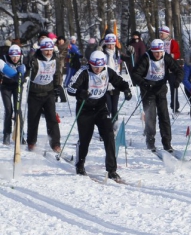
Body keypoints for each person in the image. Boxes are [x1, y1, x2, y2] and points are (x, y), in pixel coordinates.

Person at [66, 51, 132, 179]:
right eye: (95, 66)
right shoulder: (83, 72)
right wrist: (81, 92)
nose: (97, 69)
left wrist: (126, 89)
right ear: (90, 64)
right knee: (85, 139)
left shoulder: (107, 71)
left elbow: (120, 81)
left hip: (101, 108)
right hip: (84, 109)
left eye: (100, 66)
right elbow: (70, 88)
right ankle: (80, 165)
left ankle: (112, 170)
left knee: (109, 136)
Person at [131, 39, 184, 152]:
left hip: (161, 89)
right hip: (148, 90)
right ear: (152, 51)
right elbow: (135, 74)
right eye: (156, 52)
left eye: (160, 52)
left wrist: (177, 81)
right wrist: (144, 84)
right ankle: (150, 142)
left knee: (164, 116)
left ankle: (167, 143)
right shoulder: (146, 58)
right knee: (151, 117)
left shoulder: (166, 57)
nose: (158, 54)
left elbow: (178, 70)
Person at [26, 37, 62, 152]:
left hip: (49, 92)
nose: (48, 52)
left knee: (52, 119)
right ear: (41, 50)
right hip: (35, 93)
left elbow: (57, 74)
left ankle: (55, 144)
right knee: (33, 119)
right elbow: (28, 72)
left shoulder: (55, 59)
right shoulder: (35, 59)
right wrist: (29, 64)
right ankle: (31, 142)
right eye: (46, 50)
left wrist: (57, 87)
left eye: (50, 50)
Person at [1, 45, 27, 145]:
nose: (15, 58)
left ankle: (20, 134)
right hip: (6, 86)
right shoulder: (4, 60)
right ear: (9, 55)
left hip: (17, 86)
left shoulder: (23, 59)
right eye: (13, 56)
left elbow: (28, 70)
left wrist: (24, 76)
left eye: (17, 56)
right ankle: (7, 134)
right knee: (8, 110)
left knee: (18, 110)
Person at [99, 33, 123, 123]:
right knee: (108, 107)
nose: (110, 46)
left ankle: (115, 125)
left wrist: (130, 53)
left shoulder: (117, 52)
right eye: (108, 44)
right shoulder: (102, 53)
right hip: (105, 82)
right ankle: (107, 126)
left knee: (114, 108)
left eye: (112, 44)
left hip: (115, 82)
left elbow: (124, 58)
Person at [158, 26, 182, 112]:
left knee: (173, 88)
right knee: (161, 88)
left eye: (162, 33)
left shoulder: (173, 42)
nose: (160, 35)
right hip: (161, 69)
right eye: (160, 33)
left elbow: (177, 54)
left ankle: (175, 107)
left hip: (171, 69)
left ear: (167, 34)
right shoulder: (158, 42)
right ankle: (161, 106)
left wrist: (171, 56)